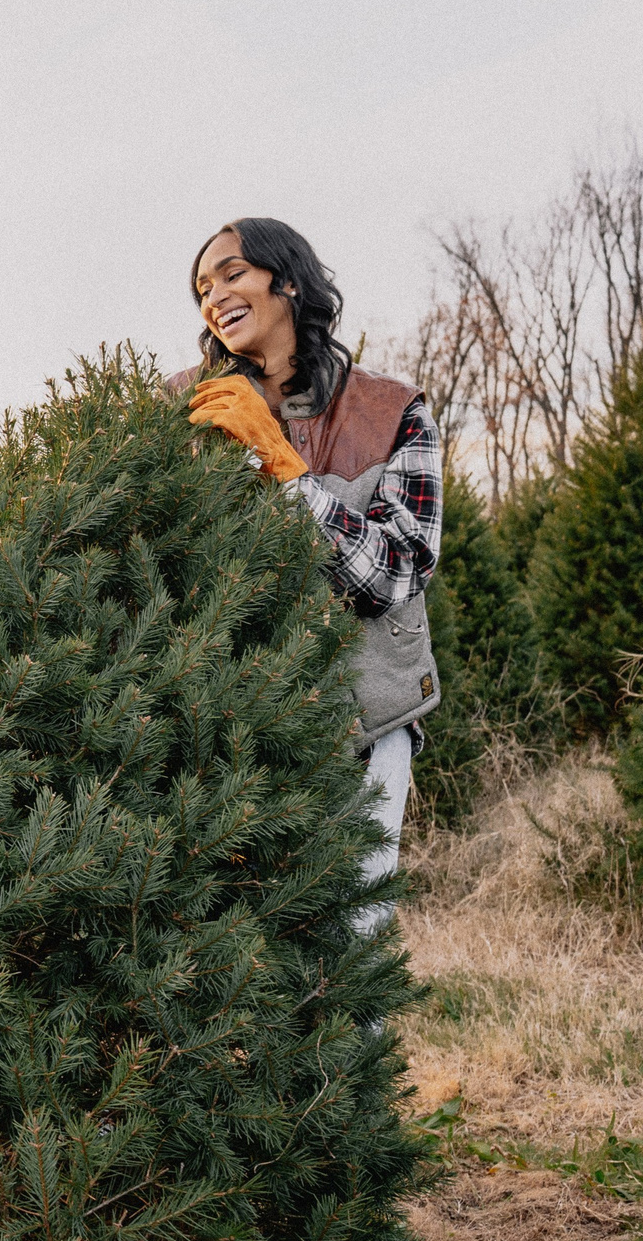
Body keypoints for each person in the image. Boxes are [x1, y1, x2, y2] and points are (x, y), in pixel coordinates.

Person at [175, 218, 442, 935]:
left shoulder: (392, 414)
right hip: (230, 728)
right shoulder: (185, 407)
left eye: (232, 273)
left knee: (350, 943)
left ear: (286, 280)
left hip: (367, 717)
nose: (215, 295)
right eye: (203, 287)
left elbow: (393, 574)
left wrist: (288, 474)